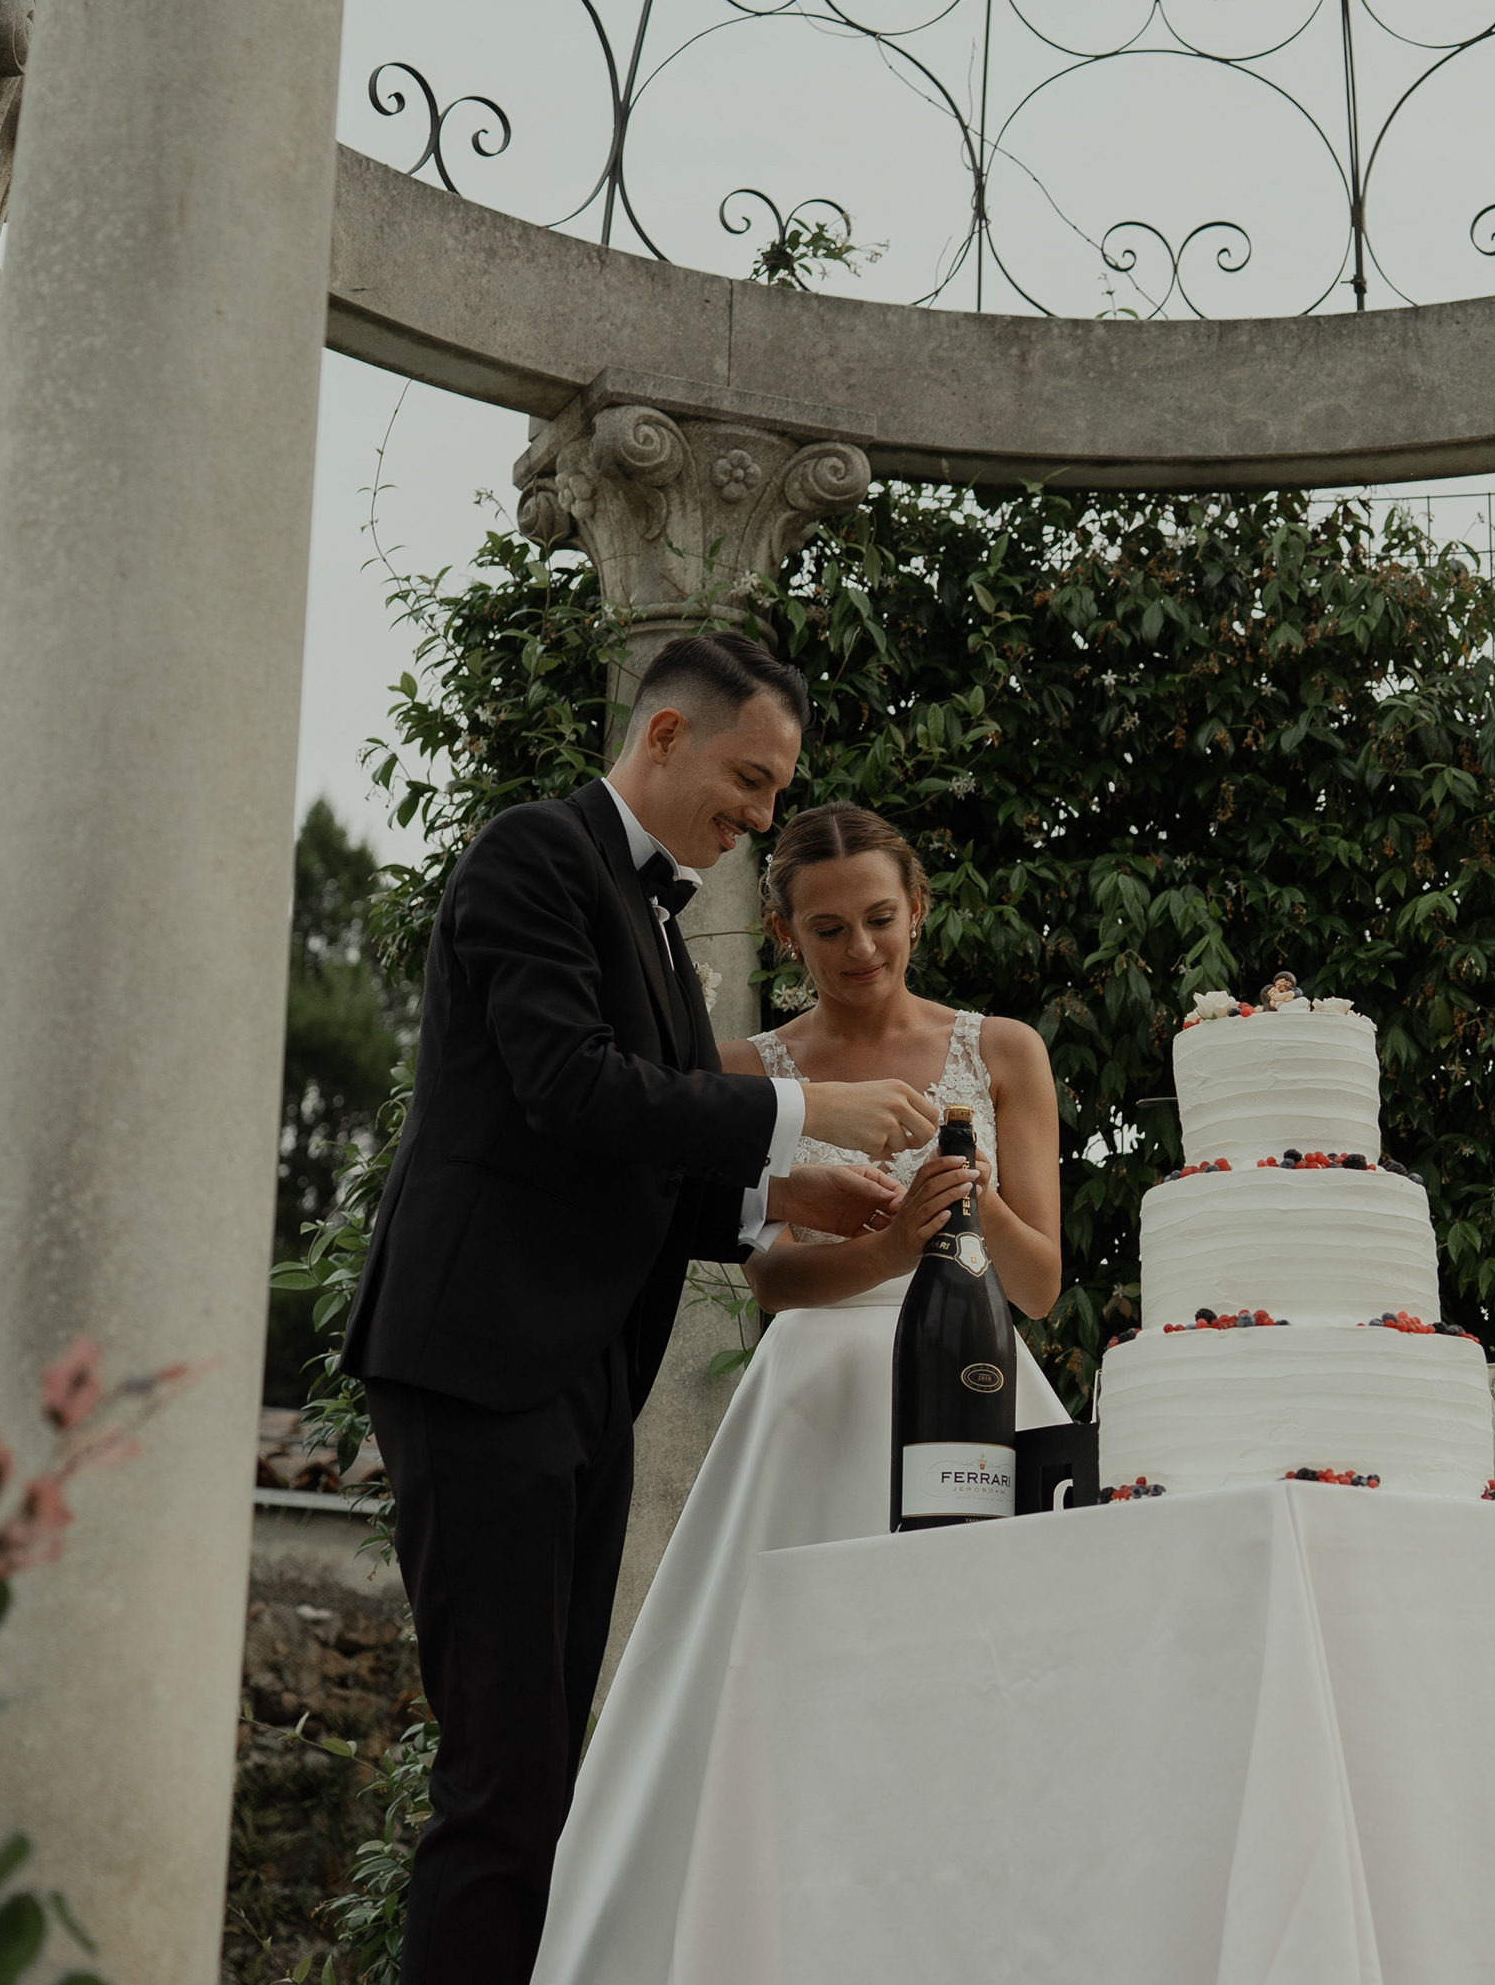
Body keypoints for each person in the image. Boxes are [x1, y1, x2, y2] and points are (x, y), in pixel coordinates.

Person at [342, 634, 938, 1985]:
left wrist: (783, 1200)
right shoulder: (532, 856)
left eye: (778, 790)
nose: (763, 817)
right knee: (501, 1783)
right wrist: (802, 1110)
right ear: (664, 735)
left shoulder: (663, 929)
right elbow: (571, 1088)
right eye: (751, 779)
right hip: (480, 1361)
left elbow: (636, 1164)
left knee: (545, 1773)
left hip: (576, 1380)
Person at [530, 800, 1071, 1984]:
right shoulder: (747, 1069)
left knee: (984, 1680)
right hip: (814, 1407)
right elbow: (770, 1279)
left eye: (879, 918)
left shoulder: (1006, 1052)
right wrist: (885, 1249)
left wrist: (966, 1192)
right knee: (794, 1694)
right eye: (827, 929)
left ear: (917, 909)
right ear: (784, 933)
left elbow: (1038, 1285)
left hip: (976, 1385)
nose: (860, 948)